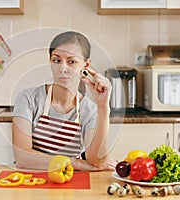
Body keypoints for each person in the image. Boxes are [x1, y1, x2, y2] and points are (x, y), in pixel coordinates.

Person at [12, 31, 117, 171]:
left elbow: (96, 160)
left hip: (69, 182)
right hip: (31, 180)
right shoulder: (28, 99)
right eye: (56, 60)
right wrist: (76, 163)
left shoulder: (90, 110)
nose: (62, 68)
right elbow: (22, 157)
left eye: (71, 61)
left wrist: (103, 108)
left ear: (86, 65)